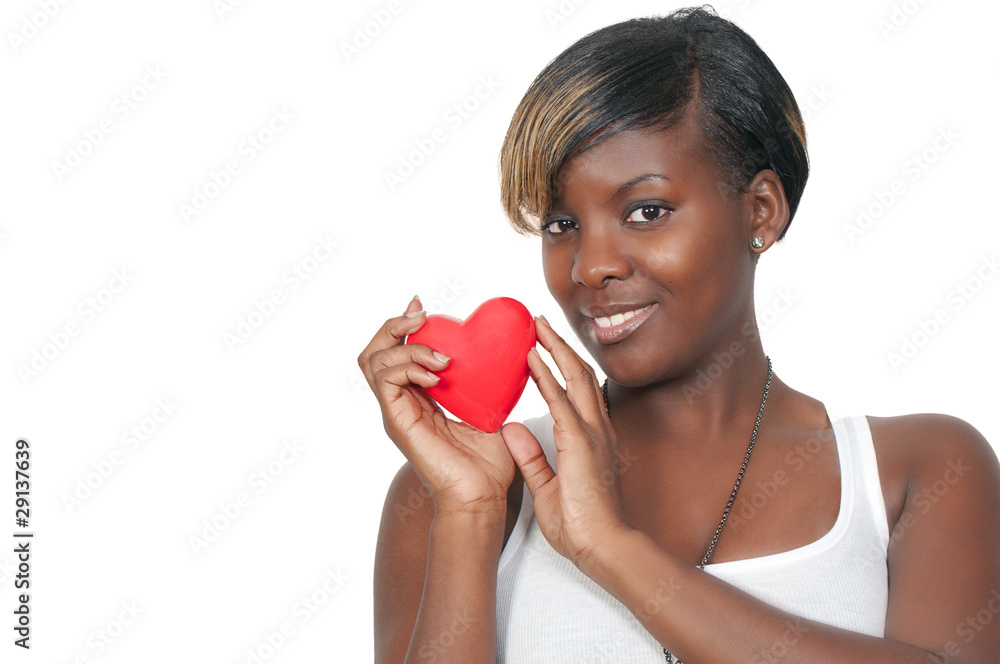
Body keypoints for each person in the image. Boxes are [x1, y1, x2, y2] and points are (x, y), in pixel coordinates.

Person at [360, 6, 1000, 663]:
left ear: (761, 212)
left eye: (647, 211)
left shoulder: (919, 469)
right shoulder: (458, 492)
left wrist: (608, 547)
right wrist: (468, 516)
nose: (590, 267)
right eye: (560, 224)